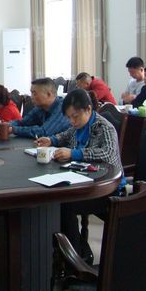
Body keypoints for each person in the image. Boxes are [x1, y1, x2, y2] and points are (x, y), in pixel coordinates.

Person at [34, 89, 124, 264]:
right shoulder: (78, 126)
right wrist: (51, 140)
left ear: (88, 109)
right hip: (84, 180)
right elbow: (66, 134)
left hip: (105, 189)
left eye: (75, 116)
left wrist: (75, 153)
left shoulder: (104, 127)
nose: (72, 121)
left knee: (65, 205)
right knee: (57, 199)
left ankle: (76, 258)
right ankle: (71, 248)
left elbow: (108, 153)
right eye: (69, 117)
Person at [1, 78, 70, 138]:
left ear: (49, 94)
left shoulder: (63, 108)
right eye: (31, 93)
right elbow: (23, 122)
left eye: (34, 94)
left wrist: (13, 129)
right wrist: (6, 125)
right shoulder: (40, 108)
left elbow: (44, 132)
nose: (31, 97)